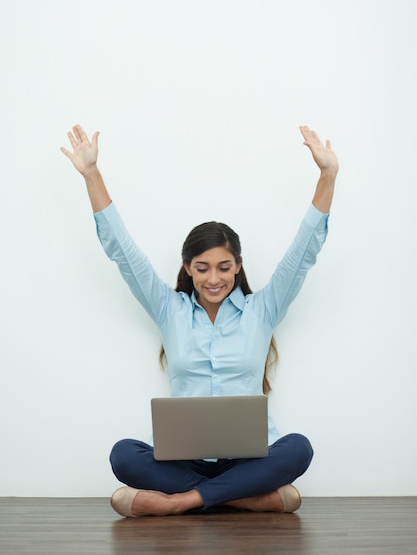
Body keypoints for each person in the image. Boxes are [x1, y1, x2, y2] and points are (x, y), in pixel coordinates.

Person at [61, 124, 338, 517]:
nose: (213, 279)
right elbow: (122, 251)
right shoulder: (168, 308)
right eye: (202, 268)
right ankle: (242, 498)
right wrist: (92, 174)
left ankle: (185, 502)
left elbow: (304, 250)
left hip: (249, 461)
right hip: (183, 461)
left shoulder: (263, 309)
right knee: (124, 455)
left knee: (298, 448)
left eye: (224, 267)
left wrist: (327, 176)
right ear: (188, 269)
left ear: (238, 266)